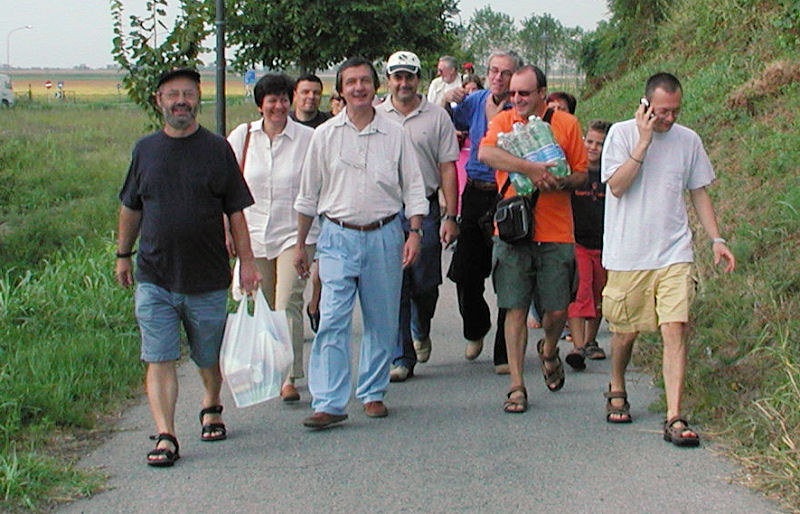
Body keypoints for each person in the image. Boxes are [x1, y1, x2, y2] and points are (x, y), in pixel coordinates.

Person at [115, 68, 260, 466]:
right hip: (155, 275)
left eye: (188, 94)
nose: (181, 101)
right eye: (172, 94)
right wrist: (123, 254)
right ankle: (166, 435)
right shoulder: (145, 150)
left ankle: (211, 403)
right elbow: (131, 207)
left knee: (207, 354)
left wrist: (247, 262)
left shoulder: (217, 149)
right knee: (158, 356)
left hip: (207, 277)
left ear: (198, 99)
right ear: (159, 101)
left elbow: (236, 211)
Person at [600, 72, 735, 445]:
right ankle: (617, 383)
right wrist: (643, 142)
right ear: (645, 106)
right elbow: (617, 186)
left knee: (676, 327)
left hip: (674, 251)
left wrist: (716, 239)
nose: (670, 118)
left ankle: (674, 415)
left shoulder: (688, 140)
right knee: (625, 333)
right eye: (662, 112)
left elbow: (699, 192)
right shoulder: (621, 135)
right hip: (628, 254)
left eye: (675, 111)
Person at [293, 57, 427, 428]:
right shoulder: (325, 135)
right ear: (340, 90)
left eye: (365, 81)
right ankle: (328, 402)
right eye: (350, 82)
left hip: (385, 234)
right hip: (337, 236)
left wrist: (414, 232)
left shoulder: (395, 133)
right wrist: (302, 244)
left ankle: (372, 391)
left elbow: (414, 187)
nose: (358, 88)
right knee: (333, 319)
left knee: (381, 320)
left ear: (375, 86)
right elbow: (308, 195)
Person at [478, 65, 588, 413]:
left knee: (557, 309)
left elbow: (582, 174)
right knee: (515, 307)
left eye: (524, 93)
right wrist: (530, 169)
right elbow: (485, 153)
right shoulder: (504, 121)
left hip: (556, 231)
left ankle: (549, 349)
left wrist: (561, 181)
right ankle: (517, 385)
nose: (516, 99)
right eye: (512, 93)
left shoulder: (566, 124)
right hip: (514, 231)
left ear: (543, 93)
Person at [227, 73, 316, 403]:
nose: (278, 106)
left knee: (287, 301)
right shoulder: (242, 137)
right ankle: (271, 366)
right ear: (259, 105)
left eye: (283, 99)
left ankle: (288, 376)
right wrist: (227, 231)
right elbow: (226, 186)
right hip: (253, 235)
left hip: (296, 233)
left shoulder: (307, 139)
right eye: (272, 100)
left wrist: (306, 242)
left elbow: (314, 188)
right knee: (262, 304)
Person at [378, 51, 460, 382]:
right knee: (395, 282)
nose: (403, 83)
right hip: (387, 208)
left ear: (419, 79)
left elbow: (447, 168)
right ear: (388, 81)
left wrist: (451, 215)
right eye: (397, 77)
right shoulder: (376, 115)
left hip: (424, 208)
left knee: (425, 283)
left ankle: (420, 326)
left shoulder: (437, 117)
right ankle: (402, 356)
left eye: (409, 77)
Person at [443, 50, 523, 373]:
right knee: (465, 272)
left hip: (507, 194)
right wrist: (447, 100)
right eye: (494, 70)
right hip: (475, 191)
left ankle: (504, 352)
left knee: (508, 273)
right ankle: (476, 327)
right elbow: (450, 122)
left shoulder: (520, 107)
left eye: (506, 72)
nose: (498, 77)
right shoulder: (476, 101)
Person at [564, 120, 612, 371]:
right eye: (589, 141)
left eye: (600, 144)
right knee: (579, 290)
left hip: (604, 245)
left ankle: (591, 341)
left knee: (598, 293)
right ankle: (578, 345)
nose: (593, 147)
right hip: (578, 242)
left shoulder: (611, 175)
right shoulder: (575, 172)